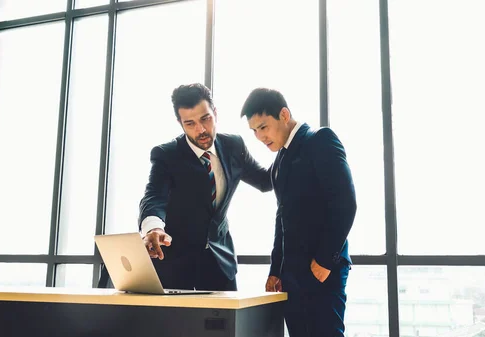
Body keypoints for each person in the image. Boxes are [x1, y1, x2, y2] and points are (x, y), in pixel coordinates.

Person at [130, 83, 271, 292]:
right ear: (180, 123)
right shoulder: (167, 155)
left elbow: (265, 180)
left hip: (220, 265)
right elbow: (154, 197)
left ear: (215, 113)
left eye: (205, 119)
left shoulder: (234, 146)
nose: (201, 130)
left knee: (228, 324)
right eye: (190, 123)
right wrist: (154, 228)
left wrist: (289, 145)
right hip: (176, 268)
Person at [240, 88, 357, 337]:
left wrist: (325, 260)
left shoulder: (320, 140)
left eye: (263, 127)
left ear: (284, 114)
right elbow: (282, 217)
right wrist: (275, 269)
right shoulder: (280, 159)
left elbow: (345, 203)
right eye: (254, 131)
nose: (260, 137)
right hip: (291, 274)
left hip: (323, 269)